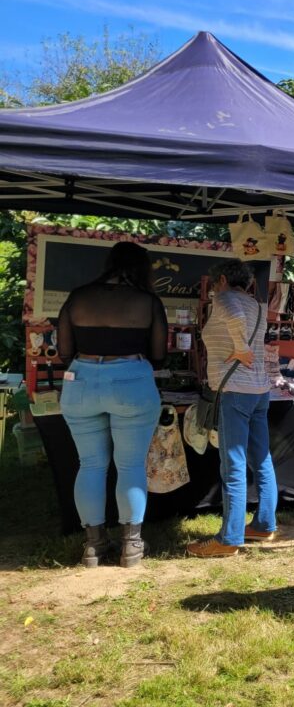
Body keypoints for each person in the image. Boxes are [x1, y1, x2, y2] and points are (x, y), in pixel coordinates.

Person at [57, 241, 166, 568]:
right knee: (130, 465)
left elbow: (64, 351)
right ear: (142, 267)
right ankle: (131, 547)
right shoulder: (148, 301)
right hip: (131, 381)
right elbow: (159, 354)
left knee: (90, 464)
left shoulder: (79, 296)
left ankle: (94, 546)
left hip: (82, 381)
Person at [187, 259, 274, 558]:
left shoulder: (224, 298)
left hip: (236, 391)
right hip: (260, 390)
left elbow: (235, 319)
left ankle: (229, 539)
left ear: (221, 279)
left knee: (233, 465)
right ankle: (263, 524)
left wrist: (240, 348)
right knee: (261, 459)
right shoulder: (257, 305)